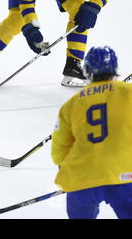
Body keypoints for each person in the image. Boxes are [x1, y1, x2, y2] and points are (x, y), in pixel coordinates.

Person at [51, 46, 132, 219]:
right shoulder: (128, 93)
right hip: (123, 175)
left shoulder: (71, 104)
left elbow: (58, 150)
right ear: (115, 70)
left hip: (82, 178)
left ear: (87, 71)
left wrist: (67, 172)